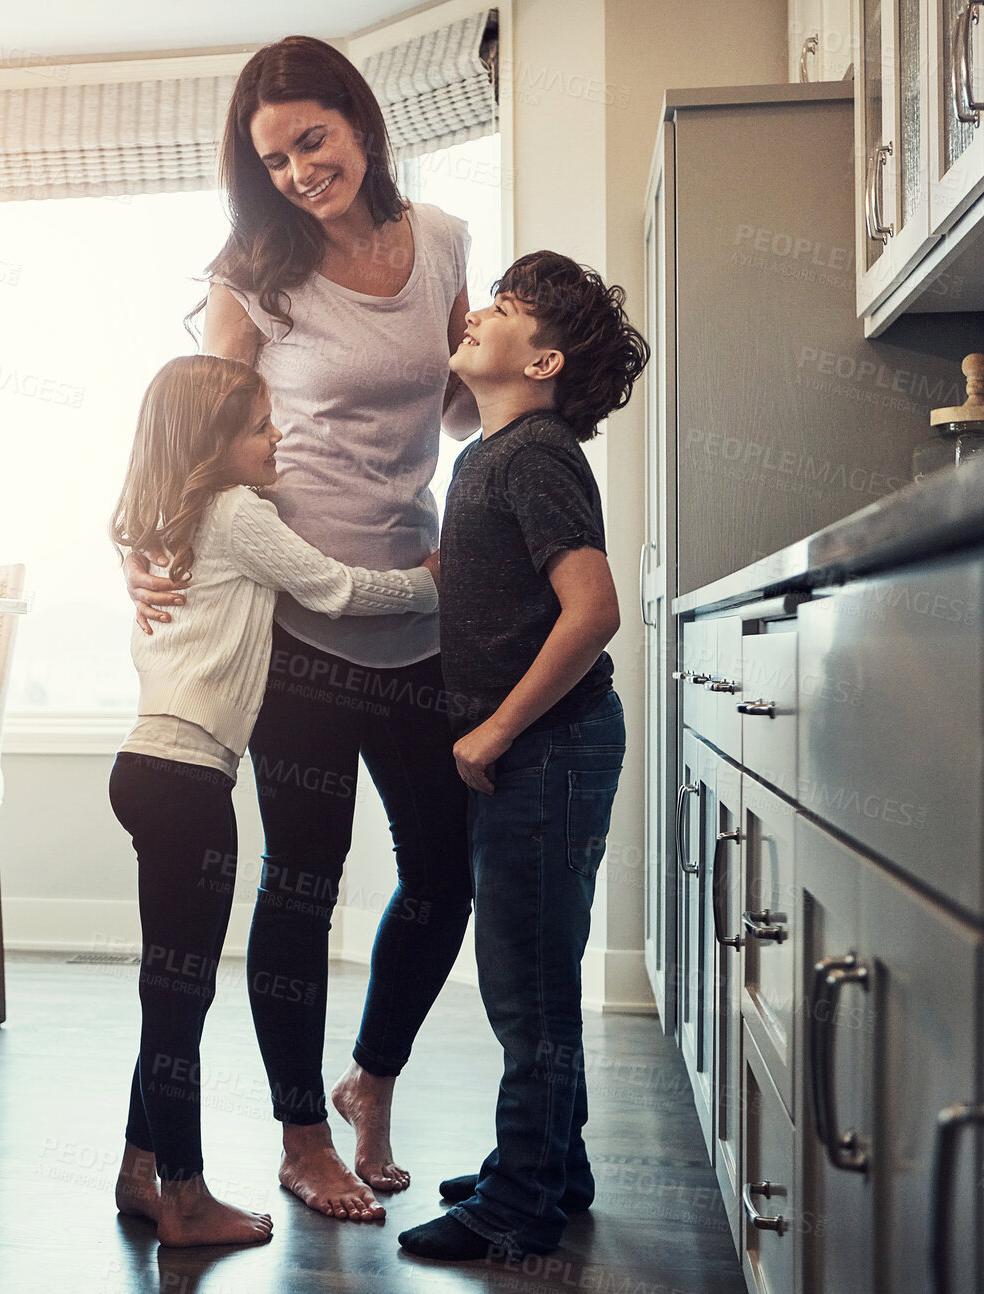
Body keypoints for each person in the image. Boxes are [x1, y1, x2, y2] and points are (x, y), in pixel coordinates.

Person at [126, 33, 480, 1224]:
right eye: (271, 158)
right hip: (300, 630)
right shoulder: (255, 275)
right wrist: (146, 546)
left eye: (310, 141)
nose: (295, 172)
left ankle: (371, 1077)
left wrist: (545, 384)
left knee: (442, 871)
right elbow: (190, 424)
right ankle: (300, 1133)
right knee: (304, 882)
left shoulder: (439, 241)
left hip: (417, 605)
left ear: (361, 122)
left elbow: (460, 389)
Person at [108, 354, 441, 1247]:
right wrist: (432, 582)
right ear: (214, 443)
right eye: (259, 425)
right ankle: (182, 1197)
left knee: (169, 992)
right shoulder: (238, 512)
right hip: (185, 780)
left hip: (150, 768)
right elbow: (334, 587)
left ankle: (139, 1171)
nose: (276, 436)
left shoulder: (165, 516)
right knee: (178, 999)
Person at [396, 250, 650, 1263]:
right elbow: (518, 584)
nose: (475, 315)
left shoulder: (535, 450)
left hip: (548, 750)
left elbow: (594, 610)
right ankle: (553, 1161)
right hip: (544, 753)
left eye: (500, 309)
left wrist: (495, 730)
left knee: (524, 982)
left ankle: (523, 1200)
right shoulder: (491, 455)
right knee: (533, 966)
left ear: (541, 359)